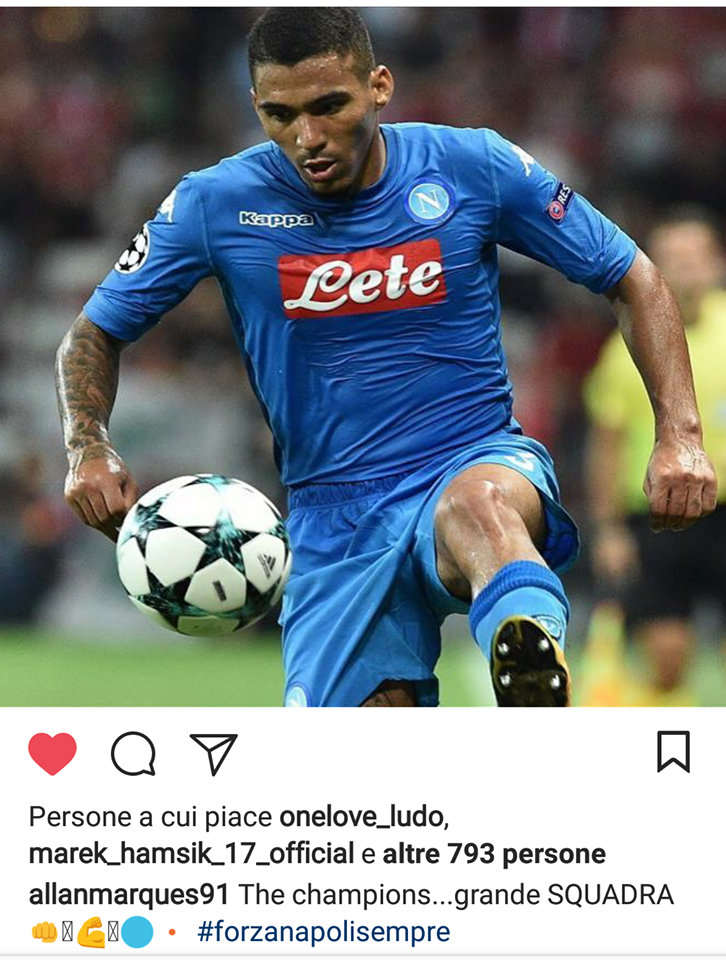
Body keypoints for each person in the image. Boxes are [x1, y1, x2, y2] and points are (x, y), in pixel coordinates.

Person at [55, 8, 717, 708]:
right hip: (332, 516)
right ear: (255, 105)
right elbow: (91, 334)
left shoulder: (473, 166)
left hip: (471, 457)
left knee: (477, 505)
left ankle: (528, 659)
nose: (308, 137)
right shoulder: (214, 204)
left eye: (328, 106)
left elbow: (632, 275)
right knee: (362, 757)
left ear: (379, 86)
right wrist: (87, 445)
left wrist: (680, 434)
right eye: (280, 115)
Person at [584, 209, 726, 705]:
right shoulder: (626, 347)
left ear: (717, 263)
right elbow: (606, 443)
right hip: (660, 517)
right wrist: (608, 530)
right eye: (672, 259)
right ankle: (672, 745)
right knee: (666, 658)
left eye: (695, 257)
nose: (685, 270)